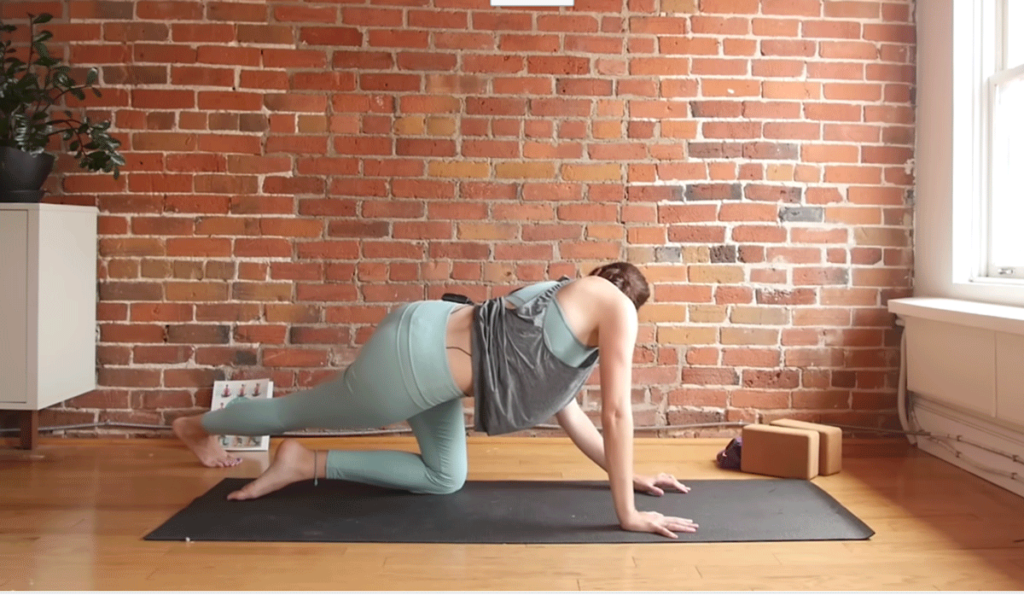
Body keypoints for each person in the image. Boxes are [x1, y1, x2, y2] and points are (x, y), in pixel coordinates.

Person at [172, 261, 699, 539]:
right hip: (412, 363)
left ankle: (303, 460)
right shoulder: (617, 307)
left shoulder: (562, 307)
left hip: (429, 339)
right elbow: (617, 411)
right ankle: (196, 426)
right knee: (299, 411)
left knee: (445, 475)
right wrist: (626, 514)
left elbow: (577, 419)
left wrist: (627, 472)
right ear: (632, 305)